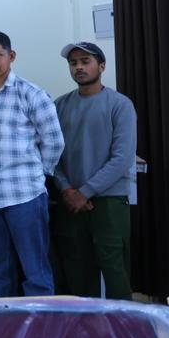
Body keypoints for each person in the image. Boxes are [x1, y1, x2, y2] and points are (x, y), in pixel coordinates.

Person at [0, 30, 64, 300]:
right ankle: (1, 321)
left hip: (25, 195)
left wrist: (36, 175)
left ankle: (40, 323)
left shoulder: (32, 94)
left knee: (35, 268)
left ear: (11, 56)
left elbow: (54, 142)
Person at [52, 41, 137, 300]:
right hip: (70, 202)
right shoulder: (59, 105)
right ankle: (84, 323)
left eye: (85, 61)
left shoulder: (120, 104)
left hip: (109, 201)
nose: (78, 67)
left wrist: (85, 192)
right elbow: (51, 156)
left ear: (101, 66)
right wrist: (67, 190)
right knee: (77, 269)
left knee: (115, 269)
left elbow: (122, 158)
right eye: (73, 63)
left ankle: (122, 324)